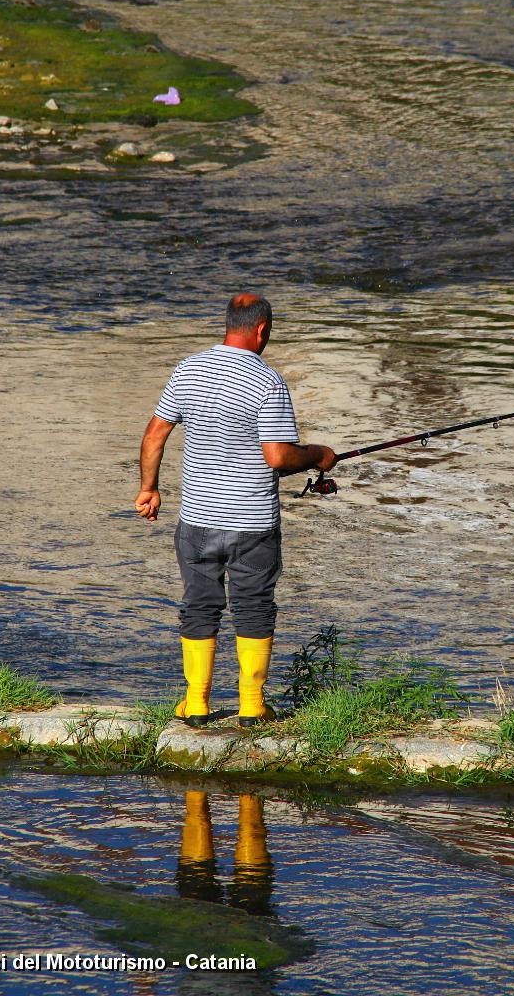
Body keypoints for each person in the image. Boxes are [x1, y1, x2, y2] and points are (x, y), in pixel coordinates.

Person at [135, 293, 336, 728]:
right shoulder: (268, 382)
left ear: (228, 324)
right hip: (252, 525)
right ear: (262, 330)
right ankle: (251, 706)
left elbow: (155, 435)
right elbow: (279, 458)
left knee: (199, 604)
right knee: (253, 605)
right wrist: (319, 454)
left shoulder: (187, 369)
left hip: (197, 521)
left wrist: (149, 489)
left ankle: (197, 704)